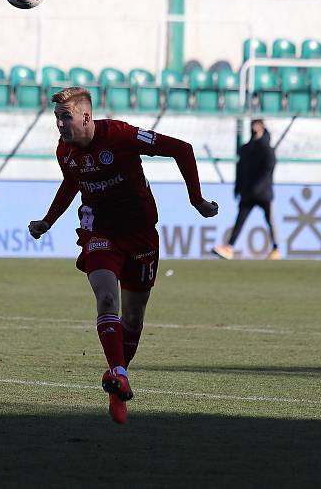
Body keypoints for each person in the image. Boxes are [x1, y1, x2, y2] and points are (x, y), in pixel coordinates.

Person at [28, 87, 218, 424]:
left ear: (86, 116)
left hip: (140, 231)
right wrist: (47, 220)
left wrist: (197, 199)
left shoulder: (122, 135)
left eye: (65, 117)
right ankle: (117, 370)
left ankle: (117, 382)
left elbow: (181, 149)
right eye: (57, 118)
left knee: (134, 315)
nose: (59, 124)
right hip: (99, 231)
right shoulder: (65, 150)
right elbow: (72, 183)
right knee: (105, 298)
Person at [212, 119, 280, 260]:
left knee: (270, 220)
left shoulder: (267, 149)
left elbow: (268, 170)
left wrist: (259, 186)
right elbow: (241, 170)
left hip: (263, 193)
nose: (254, 128)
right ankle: (229, 247)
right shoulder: (246, 149)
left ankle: (276, 249)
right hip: (248, 192)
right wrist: (238, 188)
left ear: (262, 128)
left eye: (257, 125)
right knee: (240, 220)